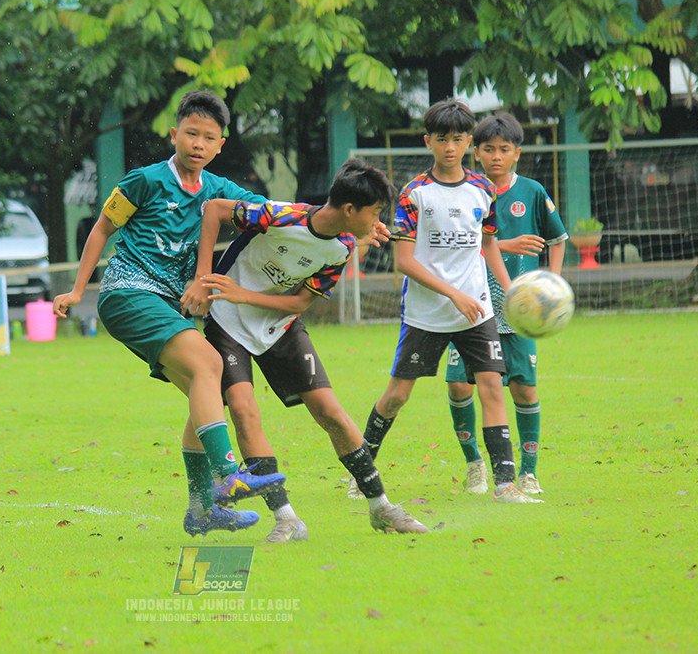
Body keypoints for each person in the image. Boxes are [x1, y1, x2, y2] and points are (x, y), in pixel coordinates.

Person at [52, 90, 285, 536]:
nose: (198, 144)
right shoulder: (144, 180)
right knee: (210, 364)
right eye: (191, 134)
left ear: (220, 145)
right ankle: (228, 476)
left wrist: (334, 220)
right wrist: (78, 290)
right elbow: (102, 228)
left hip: (168, 304)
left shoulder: (220, 190)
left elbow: (272, 212)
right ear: (174, 134)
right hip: (128, 292)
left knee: (206, 394)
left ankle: (201, 511)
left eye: (209, 138)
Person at [181, 159, 429, 540]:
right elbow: (214, 209)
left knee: (330, 411)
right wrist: (203, 278)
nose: (378, 221)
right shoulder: (280, 216)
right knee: (244, 411)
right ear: (350, 210)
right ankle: (287, 519)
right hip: (227, 324)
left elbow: (299, 303)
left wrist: (245, 294)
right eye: (376, 212)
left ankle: (381, 507)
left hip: (280, 324)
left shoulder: (342, 248)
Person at [352, 99, 541, 505]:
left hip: (476, 309)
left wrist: (509, 289)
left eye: (457, 139)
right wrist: (453, 294)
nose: (450, 147)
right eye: (442, 139)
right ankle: (361, 469)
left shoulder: (484, 190)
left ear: (468, 141)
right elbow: (405, 261)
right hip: (428, 313)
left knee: (492, 386)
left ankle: (505, 484)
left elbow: (487, 246)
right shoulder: (415, 194)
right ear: (428, 142)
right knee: (397, 395)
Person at [444, 113, 569, 496]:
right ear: (476, 152)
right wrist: (506, 245)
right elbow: (456, 246)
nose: (496, 156)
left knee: (524, 390)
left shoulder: (531, 191)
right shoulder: (465, 192)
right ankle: (474, 464)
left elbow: (558, 239)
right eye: (488, 149)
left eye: (504, 149)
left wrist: (552, 284)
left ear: (517, 153)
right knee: (459, 386)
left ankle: (528, 473)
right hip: (472, 307)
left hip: (521, 312)